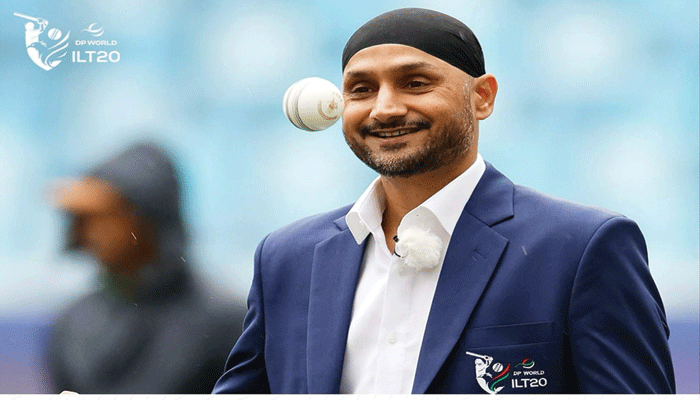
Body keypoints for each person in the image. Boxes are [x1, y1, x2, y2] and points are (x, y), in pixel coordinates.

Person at [212, 8, 675, 394]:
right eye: (361, 89)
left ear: (482, 97)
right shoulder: (286, 259)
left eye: (415, 83)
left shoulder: (581, 248)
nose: (385, 108)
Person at [47, 141, 247, 394]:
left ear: (148, 217)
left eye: (107, 218)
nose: (92, 233)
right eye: (87, 221)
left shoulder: (225, 323)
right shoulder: (74, 324)